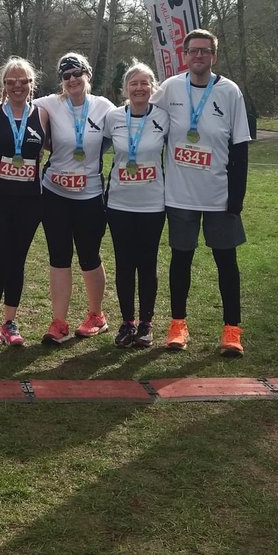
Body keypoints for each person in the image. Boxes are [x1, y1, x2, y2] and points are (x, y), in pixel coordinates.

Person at [154, 29, 252, 356]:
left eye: (205, 51)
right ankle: (178, 325)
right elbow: (145, 121)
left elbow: (240, 148)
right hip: (179, 195)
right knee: (181, 260)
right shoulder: (169, 88)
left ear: (214, 56)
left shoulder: (229, 91)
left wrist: (235, 198)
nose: (199, 56)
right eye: (194, 51)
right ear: (185, 55)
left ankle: (231, 331)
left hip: (218, 196)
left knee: (227, 262)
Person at [33, 52, 116, 344]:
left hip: (90, 195)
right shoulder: (49, 104)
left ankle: (97, 315)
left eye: (76, 73)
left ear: (87, 76)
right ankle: (59, 322)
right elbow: (15, 105)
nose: (71, 80)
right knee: (59, 256)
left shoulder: (104, 106)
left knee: (89, 256)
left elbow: (123, 129)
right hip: (54, 194)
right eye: (65, 76)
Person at [0, 57, 46, 347]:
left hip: (30, 201)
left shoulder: (42, 115)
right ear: (4, 85)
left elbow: (59, 144)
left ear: (32, 84)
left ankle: (10, 321)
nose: (18, 86)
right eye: (11, 81)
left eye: (24, 81)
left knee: (17, 261)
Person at [103, 62, 169, 348]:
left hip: (153, 202)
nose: (140, 88)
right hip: (119, 201)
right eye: (134, 83)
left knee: (147, 262)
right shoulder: (113, 117)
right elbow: (95, 149)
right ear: (125, 89)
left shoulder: (165, 118)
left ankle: (146, 323)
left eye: (145, 83)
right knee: (124, 263)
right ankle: (128, 322)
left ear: (152, 88)